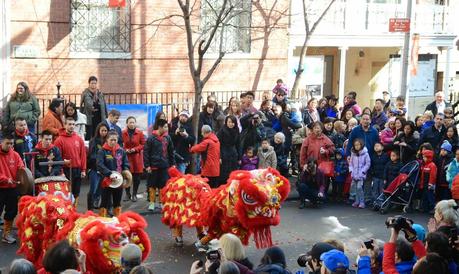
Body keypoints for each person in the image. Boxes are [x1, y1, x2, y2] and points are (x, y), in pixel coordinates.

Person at [54, 117, 87, 207]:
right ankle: (66, 211)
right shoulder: (59, 140)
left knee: (76, 192)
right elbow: (57, 158)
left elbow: (83, 155)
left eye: (73, 124)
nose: (72, 126)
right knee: (66, 192)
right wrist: (61, 172)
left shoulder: (79, 139)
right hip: (66, 170)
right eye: (69, 124)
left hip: (77, 169)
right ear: (65, 125)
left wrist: (83, 170)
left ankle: (74, 210)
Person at [144, 119, 175, 211]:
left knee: (163, 185)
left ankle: (162, 202)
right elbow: (146, 153)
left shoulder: (167, 138)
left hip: (164, 165)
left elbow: (171, 151)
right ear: (160, 127)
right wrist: (147, 165)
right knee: (152, 185)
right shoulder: (151, 138)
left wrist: (172, 164)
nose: (167, 128)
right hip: (153, 166)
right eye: (165, 127)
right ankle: (152, 203)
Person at [97, 130, 129, 217]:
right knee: (104, 202)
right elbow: (100, 165)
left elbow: (125, 163)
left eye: (115, 140)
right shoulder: (102, 151)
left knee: (117, 202)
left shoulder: (121, 151)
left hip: (119, 181)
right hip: (106, 180)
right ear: (107, 140)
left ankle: (117, 220)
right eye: (111, 140)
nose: (113, 142)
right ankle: (102, 220)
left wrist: (126, 173)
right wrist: (109, 173)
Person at [0, 133, 25, 244]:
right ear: (1, 142)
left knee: (11, 211)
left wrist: (22, 175)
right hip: (1, 187)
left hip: (12, 188)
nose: (10, 145)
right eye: (7, 143)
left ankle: (6, 234)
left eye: (11, 143)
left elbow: (22, 169)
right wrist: (5, 179)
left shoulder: (15, 155)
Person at [122, 117, 146, 202]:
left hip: (137, 158)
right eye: (130, 122)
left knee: (137, 177)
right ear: (127, 123)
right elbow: (121, 144)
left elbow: (143, 144)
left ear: (135, 123)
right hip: (126, 158)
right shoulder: (123, 133)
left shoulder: (140, 133)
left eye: (133, 122)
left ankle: (134, 194)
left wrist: (135, 149)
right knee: (127, 176)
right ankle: (127, 194)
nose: (132, 124)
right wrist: (125, 150)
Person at [87, 123, 109, 210]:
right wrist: (100, 159)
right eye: (102, 130)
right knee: (93, 188)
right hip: (94, 168)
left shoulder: (108, 141)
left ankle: (96, 201)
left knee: (101, 187)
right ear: (98, 131)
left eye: (105, 131)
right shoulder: (94, 141)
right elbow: (92, 155)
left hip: (105, 169)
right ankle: (90, 207)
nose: (104, 132)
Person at [80, 76, 108, 140]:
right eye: (92, 83)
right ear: (89, 84)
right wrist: (92, 106)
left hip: (99, 116)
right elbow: (87, 103)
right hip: (89, 116)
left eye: (95, 83)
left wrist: (106, 115)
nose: (93, 85)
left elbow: (104, 104)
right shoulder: (86, 93)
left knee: (98, 133)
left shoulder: (99, 93)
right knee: (89, 134)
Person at [217, 115, 241, 183]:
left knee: (233, 172)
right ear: (226, 122)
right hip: (224, 152)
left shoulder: (236, 130)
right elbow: (219, 144)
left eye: (233, 122)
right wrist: (220, 156)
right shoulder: (222, 130)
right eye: (229, 122)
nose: (231, 124)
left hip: (233, 153)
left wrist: (239, 157)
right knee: (224, 173)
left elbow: (238, 144)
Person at [349, 138, 371, 208]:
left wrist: (363, 171)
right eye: (355, 145)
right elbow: (351, 163)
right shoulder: (353, 153)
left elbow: (368, 164)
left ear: (361, 145)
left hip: (361, 175)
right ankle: (357, 201)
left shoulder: (365, 154)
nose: (357, 146)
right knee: (355, 188)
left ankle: (362, 202)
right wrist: (351, 171)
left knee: (359, 188)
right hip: (354, 174)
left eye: (358, 145)